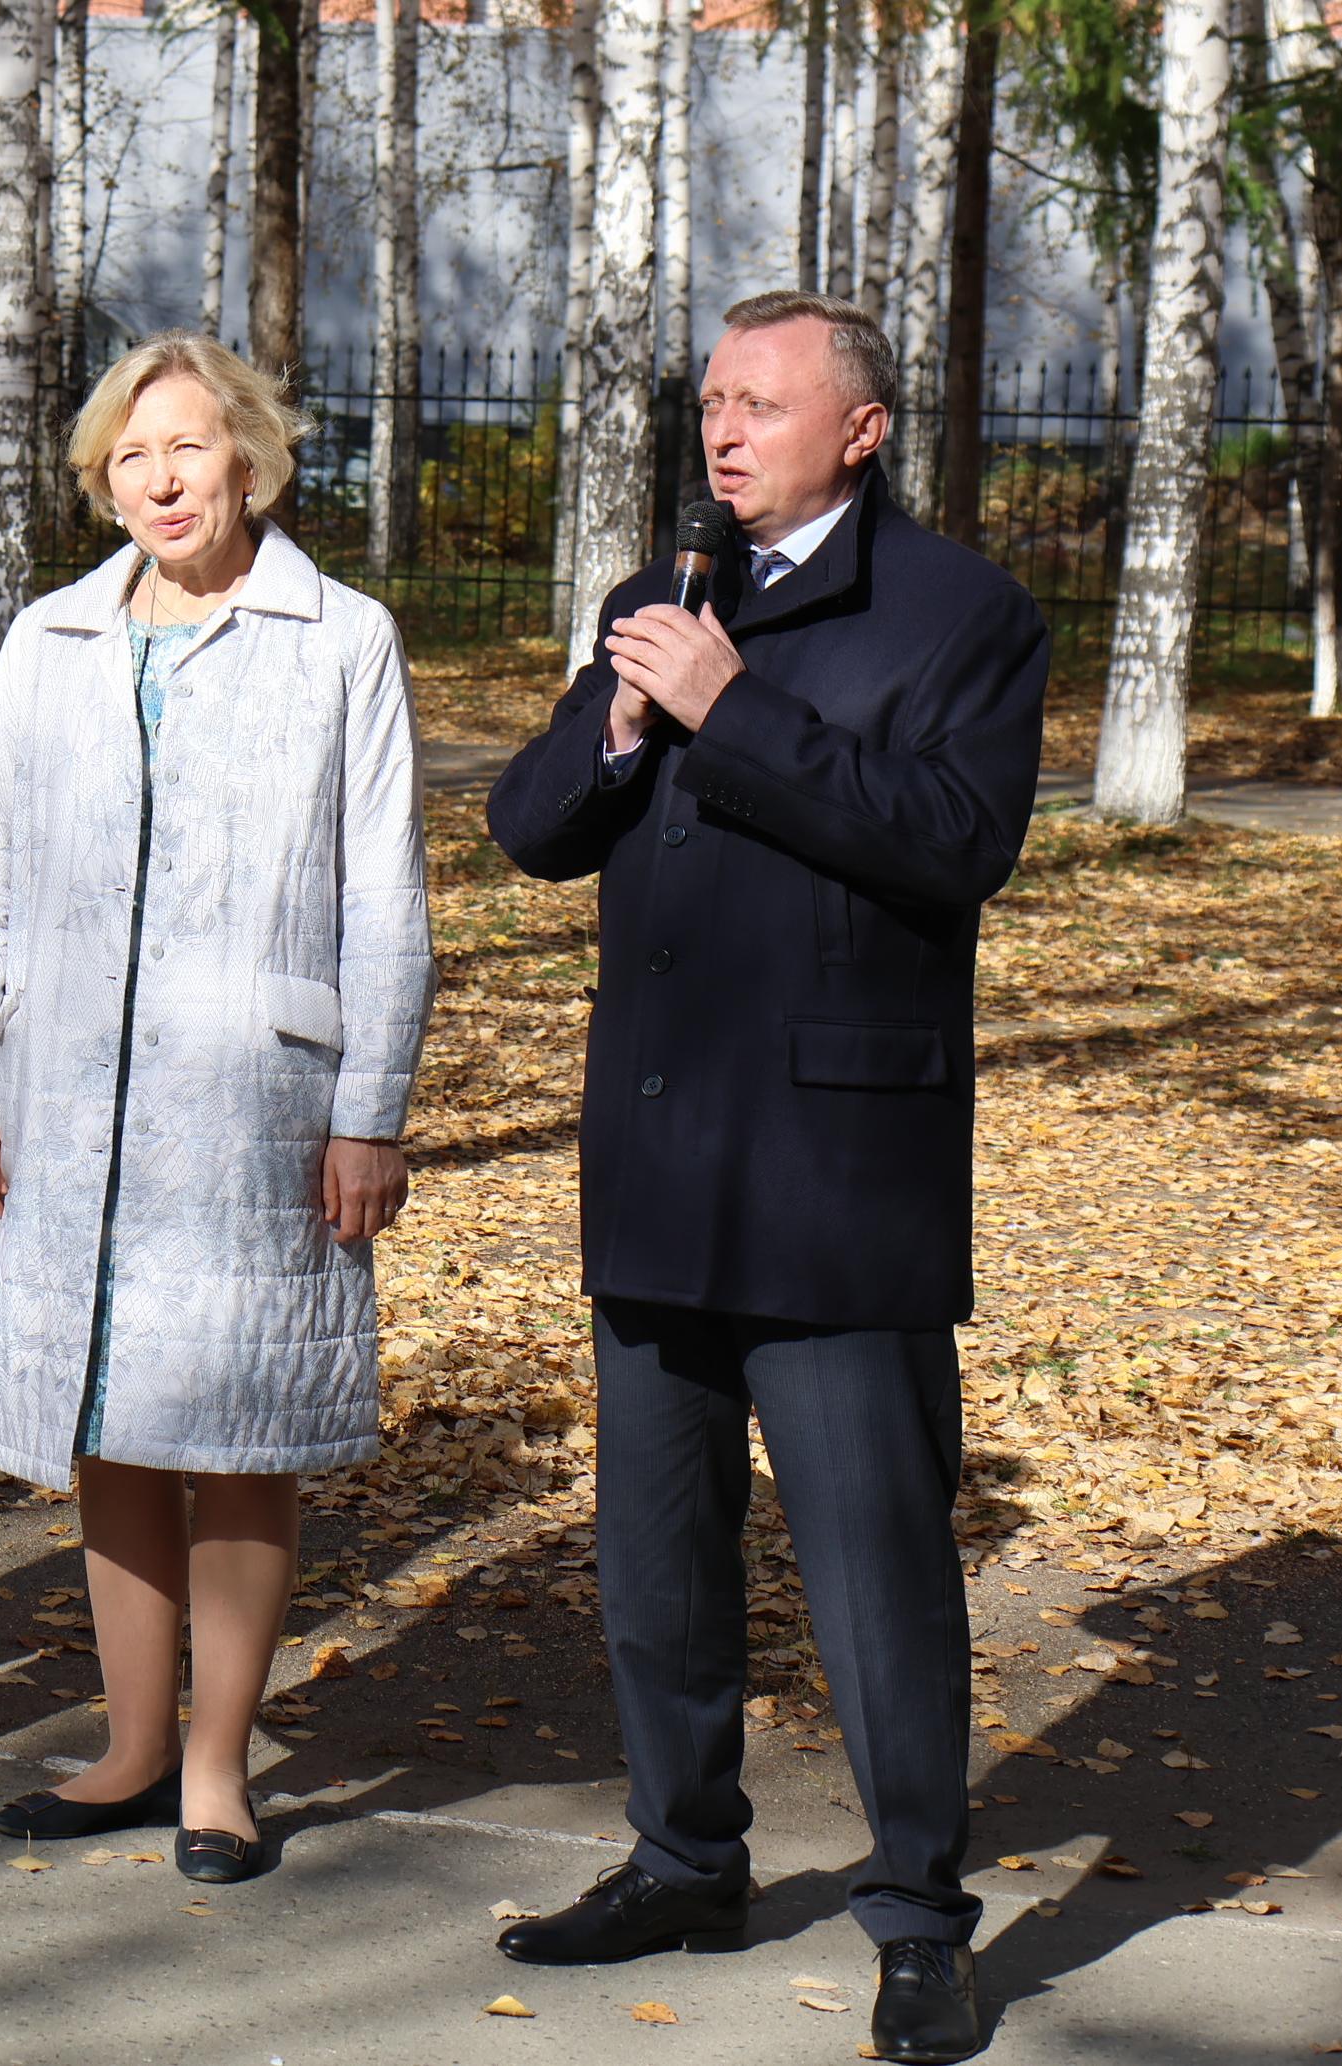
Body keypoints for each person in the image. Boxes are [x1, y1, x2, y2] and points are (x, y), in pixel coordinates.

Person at [484, 292, 1048, 2066]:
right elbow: (524, 828)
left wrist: (732, 713)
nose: (721, 432)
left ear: (859, 429)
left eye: (759, 404)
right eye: (710, 401)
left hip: (835, 1174)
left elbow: (955, 846)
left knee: (875, 1572)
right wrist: (629, 726)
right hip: (659, 1152)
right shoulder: (663, 591)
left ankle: (918, 1919)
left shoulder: (965, 614)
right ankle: (681, 1855)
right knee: (656, 1560)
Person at [0, 333, 433, 1885]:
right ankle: (131, 1745)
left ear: (251, 462)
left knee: (237, 1428)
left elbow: (384, 898)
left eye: (187, 448)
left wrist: (370, 1110)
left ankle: (218, 1764)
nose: (158, 477)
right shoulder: (51, 639)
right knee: (111, 1419)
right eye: (129, 455)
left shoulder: (338, 637)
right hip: (64, 1093)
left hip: (254, 1106)